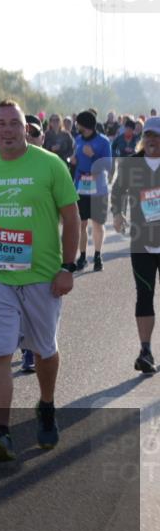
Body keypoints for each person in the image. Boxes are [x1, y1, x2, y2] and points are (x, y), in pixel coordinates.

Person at [0, 100, 79, 462]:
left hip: (42, 278)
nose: (8, 130)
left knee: (45, 350)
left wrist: (68, 267)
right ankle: (2, 432)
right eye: (1, 124)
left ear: (26, 129)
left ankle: (46, 404)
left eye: (14, 123)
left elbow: (71, 217)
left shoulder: (50, 164)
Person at [110, 116, 160, 374]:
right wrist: (117, 213)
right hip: (142, 242)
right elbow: (118, 191)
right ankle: (145, 351)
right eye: (149, 135)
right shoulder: (131, 164)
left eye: (157, 135)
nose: (152, 139)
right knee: (144, 294)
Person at [71, 110, 113, 272]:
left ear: (85, 126)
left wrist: (94, 155)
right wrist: (73, 161)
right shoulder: (78, 139)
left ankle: (97, 255)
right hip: (81, 187)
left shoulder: (103, 141)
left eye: (78, 124)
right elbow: (76, 158)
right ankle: (82, 256)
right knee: (81, 223)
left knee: (97, 223)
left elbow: (108, 166)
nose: (77, 126)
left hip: (99, 189)